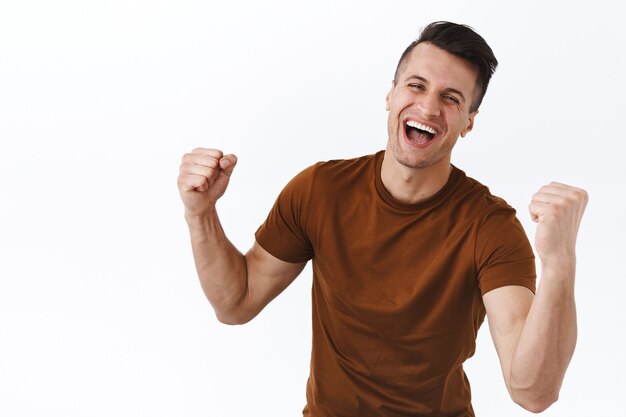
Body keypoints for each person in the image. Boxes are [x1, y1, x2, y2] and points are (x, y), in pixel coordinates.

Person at [177, 21, 588, 417]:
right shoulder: (320, 190)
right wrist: (200, 213)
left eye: (451, 98)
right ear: (390, 94)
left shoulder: (490, 226)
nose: (428, 107)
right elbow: (237, 302)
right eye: (416, 85)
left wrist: (560, 264)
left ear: (468, 123)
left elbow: (532, 392)